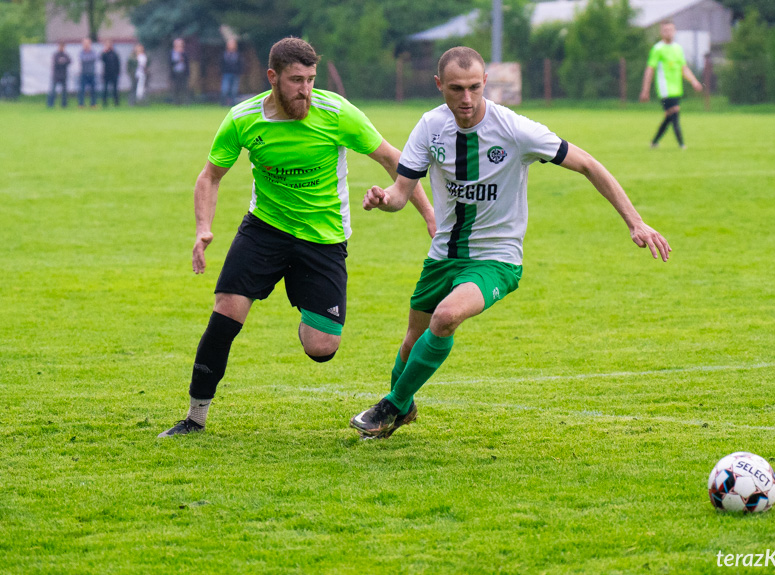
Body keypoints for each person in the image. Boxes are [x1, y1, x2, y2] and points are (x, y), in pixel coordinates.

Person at [349, 46, 671, 439]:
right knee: (412, 342)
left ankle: (390, 406)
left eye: (473, 87)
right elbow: (401, 193)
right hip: (443, 255)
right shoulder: (429, 128)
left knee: (446, 317)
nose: (466, 99)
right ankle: (403, 406)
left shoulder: (516, 130)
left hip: (497, 259)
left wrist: (635, 222)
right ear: (439, 86)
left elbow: (588, 164)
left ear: (485, 82)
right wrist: (384, 200)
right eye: (455, 89)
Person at [158, 37, 435, 438]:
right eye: (295, 80)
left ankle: (303, 300)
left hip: (323, 237)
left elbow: (395, 159)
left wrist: (428, 215)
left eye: (310, 79)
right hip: (264, 229)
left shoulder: (336, 113)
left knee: (321, 348)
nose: (305, 90)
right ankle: (194, 418)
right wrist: (203, 229)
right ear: (272, 77)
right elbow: (210, 177)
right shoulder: (243, 118)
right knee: (225, 316)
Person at [639, 20, 703, 149]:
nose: (668, 32)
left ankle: (654, 142)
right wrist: (645, 89)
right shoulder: (658, 49)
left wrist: (694, 81)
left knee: (670, 116)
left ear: (674, 31)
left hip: (676, 88)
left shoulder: (677, 48)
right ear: (661, 32)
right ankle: (682, 144)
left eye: (670, 30)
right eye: (665, 30)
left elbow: (683, 68)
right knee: (675, 114)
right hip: (665, 89)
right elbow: (650, 69)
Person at [47, 42, 71, 108]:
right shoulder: (56, 55)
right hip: (56, 75)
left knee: (64, 92)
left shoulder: (65, 55)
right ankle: (50, 104)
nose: (62, 48)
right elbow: (57, 63)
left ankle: (64, 105)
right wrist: (63, 62)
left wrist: (62, 61)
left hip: (64, 76)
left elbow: (69, 61)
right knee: (53, 91)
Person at [221, 38, 243, 106]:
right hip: (226, 74)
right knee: (225, 89)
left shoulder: (238, 55)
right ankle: (224, 103)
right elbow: (221, 64)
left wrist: (239, 72)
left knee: (234, 90)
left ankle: (232, 103)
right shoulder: (224, 54)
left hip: (235, 74)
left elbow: (240, 64)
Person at [77, 38, 98, 108]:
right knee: (82, 90)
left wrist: (87, 59)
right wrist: (88, 59)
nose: (86, 45)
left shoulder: (93, 52)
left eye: (87, 43)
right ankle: (81, 104)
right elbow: (83, 59)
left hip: (92, 73)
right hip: (83, 73)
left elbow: (93, 58)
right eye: (84, 43)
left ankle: (93, 104)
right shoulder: (81, 52)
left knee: (93, 90)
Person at [169, 38, 189, 105]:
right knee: (176, 88)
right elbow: (170, 63)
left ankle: (184, 102)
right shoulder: (172, 53)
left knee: (183, 87)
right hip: (175, 72)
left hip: (183, 72)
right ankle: (176, 102)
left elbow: (187, 63)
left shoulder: (184, 53)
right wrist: (178, 61)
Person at [101, 39, 121, 107]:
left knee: (115, 89)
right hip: (106, 74)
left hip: (114, 74)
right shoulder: (105, 54)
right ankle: (104, 102)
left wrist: (118, 72)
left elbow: (118, 64)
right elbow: (101, 59)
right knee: (105, 89)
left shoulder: (115, 54)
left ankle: (116, 102)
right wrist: (104, 51)